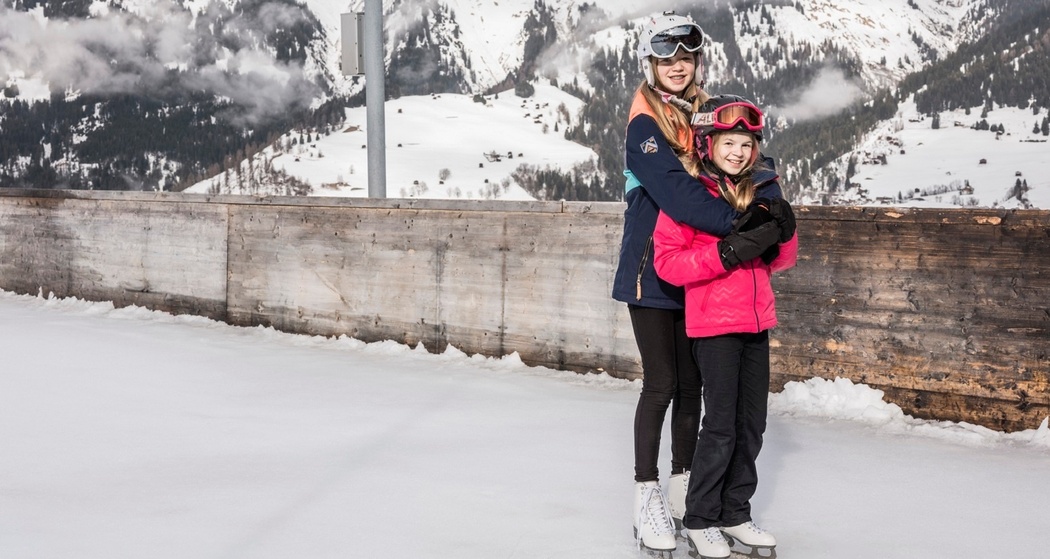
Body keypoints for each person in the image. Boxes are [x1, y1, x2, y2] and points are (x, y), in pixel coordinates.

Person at [613, 11, 785, 553]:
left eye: (686, 59)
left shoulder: (701, 117)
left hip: (696, 270)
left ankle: (688, 488)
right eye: (667, 60)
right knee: (662, 383)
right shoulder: (646, 125)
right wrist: (746, 225)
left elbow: (732, 168)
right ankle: (646, 497)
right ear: (652, 65)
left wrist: (766, 204)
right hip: (650, 268)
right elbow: (678, 196)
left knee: (693, 389)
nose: (678, 68)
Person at [651, 94, 798, 559]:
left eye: (746, 144)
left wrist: (783, 229)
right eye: (728, 142)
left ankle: (736, 511)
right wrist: (726, 253)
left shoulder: (759, 192)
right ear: (707, 143)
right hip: (713, 325)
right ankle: (700, 518)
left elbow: (781, 262)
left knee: (752, 424)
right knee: (720, 426)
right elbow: (668, 264)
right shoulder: (692, 196)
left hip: (757, 322)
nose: (738, 152)